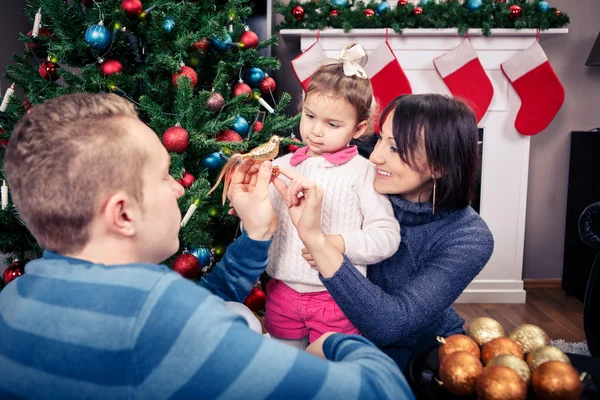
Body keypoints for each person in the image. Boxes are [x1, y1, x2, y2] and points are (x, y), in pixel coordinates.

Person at [0, 93, 415, 399]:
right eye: (164, 175)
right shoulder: (160, 321)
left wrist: (258, 231)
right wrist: (338, 343)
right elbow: (384, 392)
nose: (177, 191)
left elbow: (202, 307)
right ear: (123, 213)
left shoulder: (13, 300)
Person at [273, 94, 495, 369]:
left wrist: (319, 243)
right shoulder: (358, 184)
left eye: (396, 148)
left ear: (438, 166)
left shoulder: (469, 237)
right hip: (333, 336)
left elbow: (391, 324)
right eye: (380, 139)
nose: (375, 157)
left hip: (419, 360)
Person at [265, 43, 401, 349]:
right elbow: (263, 225)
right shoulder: (280, 167)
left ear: (359, 128)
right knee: (285, 374)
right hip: (281, 293)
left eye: (332, 124)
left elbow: (386, 236)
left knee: (330, 378)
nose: (315, 131)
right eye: (310, 116)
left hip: (337, 299)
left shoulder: (363, 172)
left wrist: (338, 243)